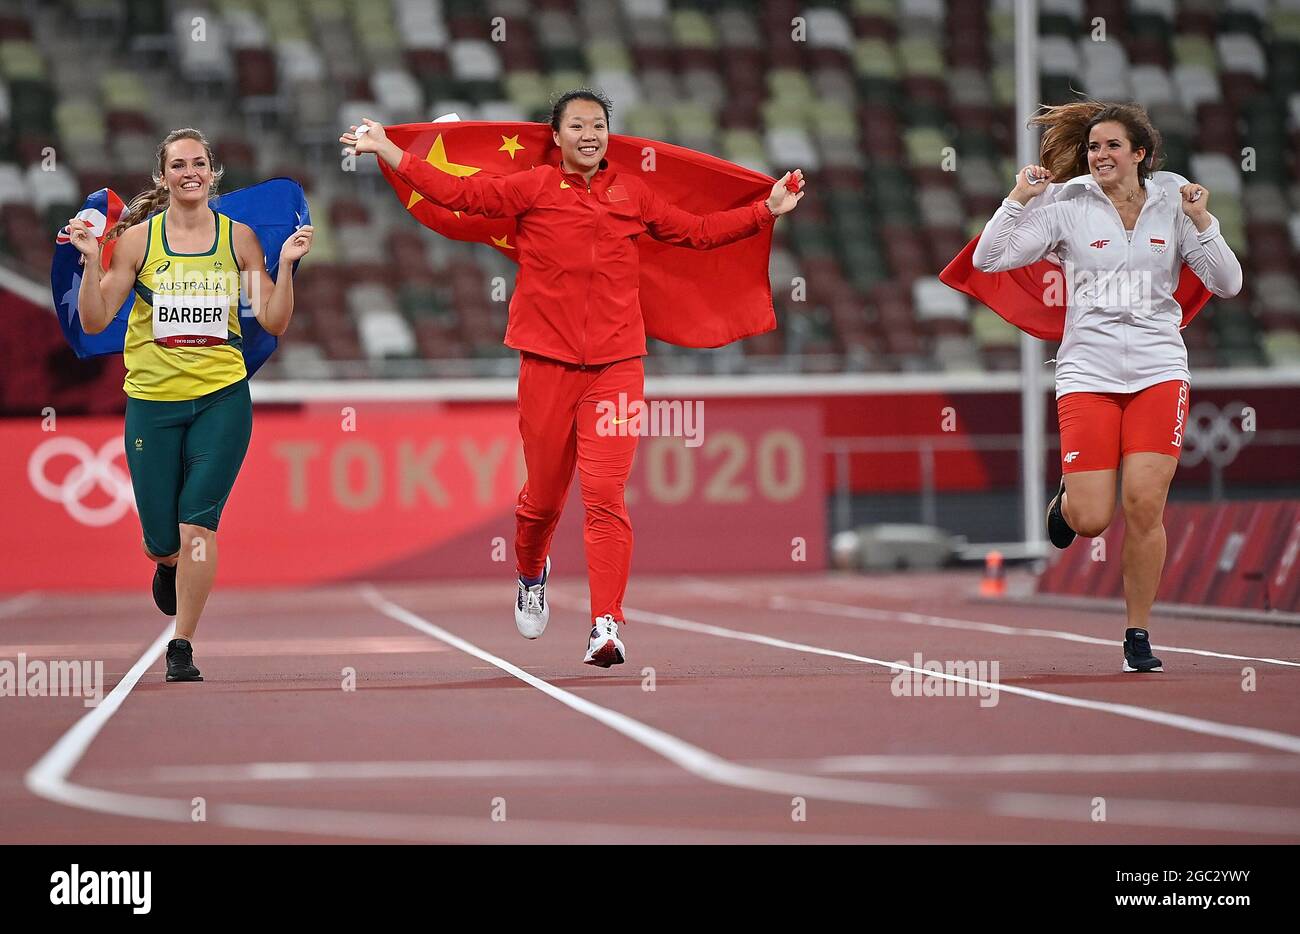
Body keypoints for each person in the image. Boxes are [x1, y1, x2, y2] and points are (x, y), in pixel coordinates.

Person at [340, 89, 804, 667]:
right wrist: (389, 148)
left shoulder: (632, 193)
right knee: (541, 502)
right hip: (546, 364)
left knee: (606, 495)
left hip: (616, 367)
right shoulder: (533, 187)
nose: (590, 133)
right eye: (578, 125)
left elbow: (698, 232)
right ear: (555, 137)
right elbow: (460, 192)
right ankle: (531, 573)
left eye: (599, 125)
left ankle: (606, 624)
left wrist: (768, 209)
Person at [973, 101, 1242, 672]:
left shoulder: (1172, 204)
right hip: (1088, 372)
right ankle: (1067, 504)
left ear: (1139, 154)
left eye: (1112, 146)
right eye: (1094, 147)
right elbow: (989, 257)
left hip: (1159, 369)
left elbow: (1227, 283)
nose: (1099, 155)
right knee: (1093, 518)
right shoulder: (1066, 205)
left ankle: (1138, 633)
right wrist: (1018, 197)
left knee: (1144, 504)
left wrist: (1203, 222)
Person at [66, 128, 313, 682]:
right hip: (153, 403)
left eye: (198, 163)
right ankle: (167, 563)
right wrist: (88, 262)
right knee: (163, 540)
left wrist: (289, 266)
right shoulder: (137, 243)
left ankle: (182, 645)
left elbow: (271, 320)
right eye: (178, 165)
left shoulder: (240, 240)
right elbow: (95, 320)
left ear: (212, 172)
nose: (190, 173)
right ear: (163, 177)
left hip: (222, 400)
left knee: (198, 526)